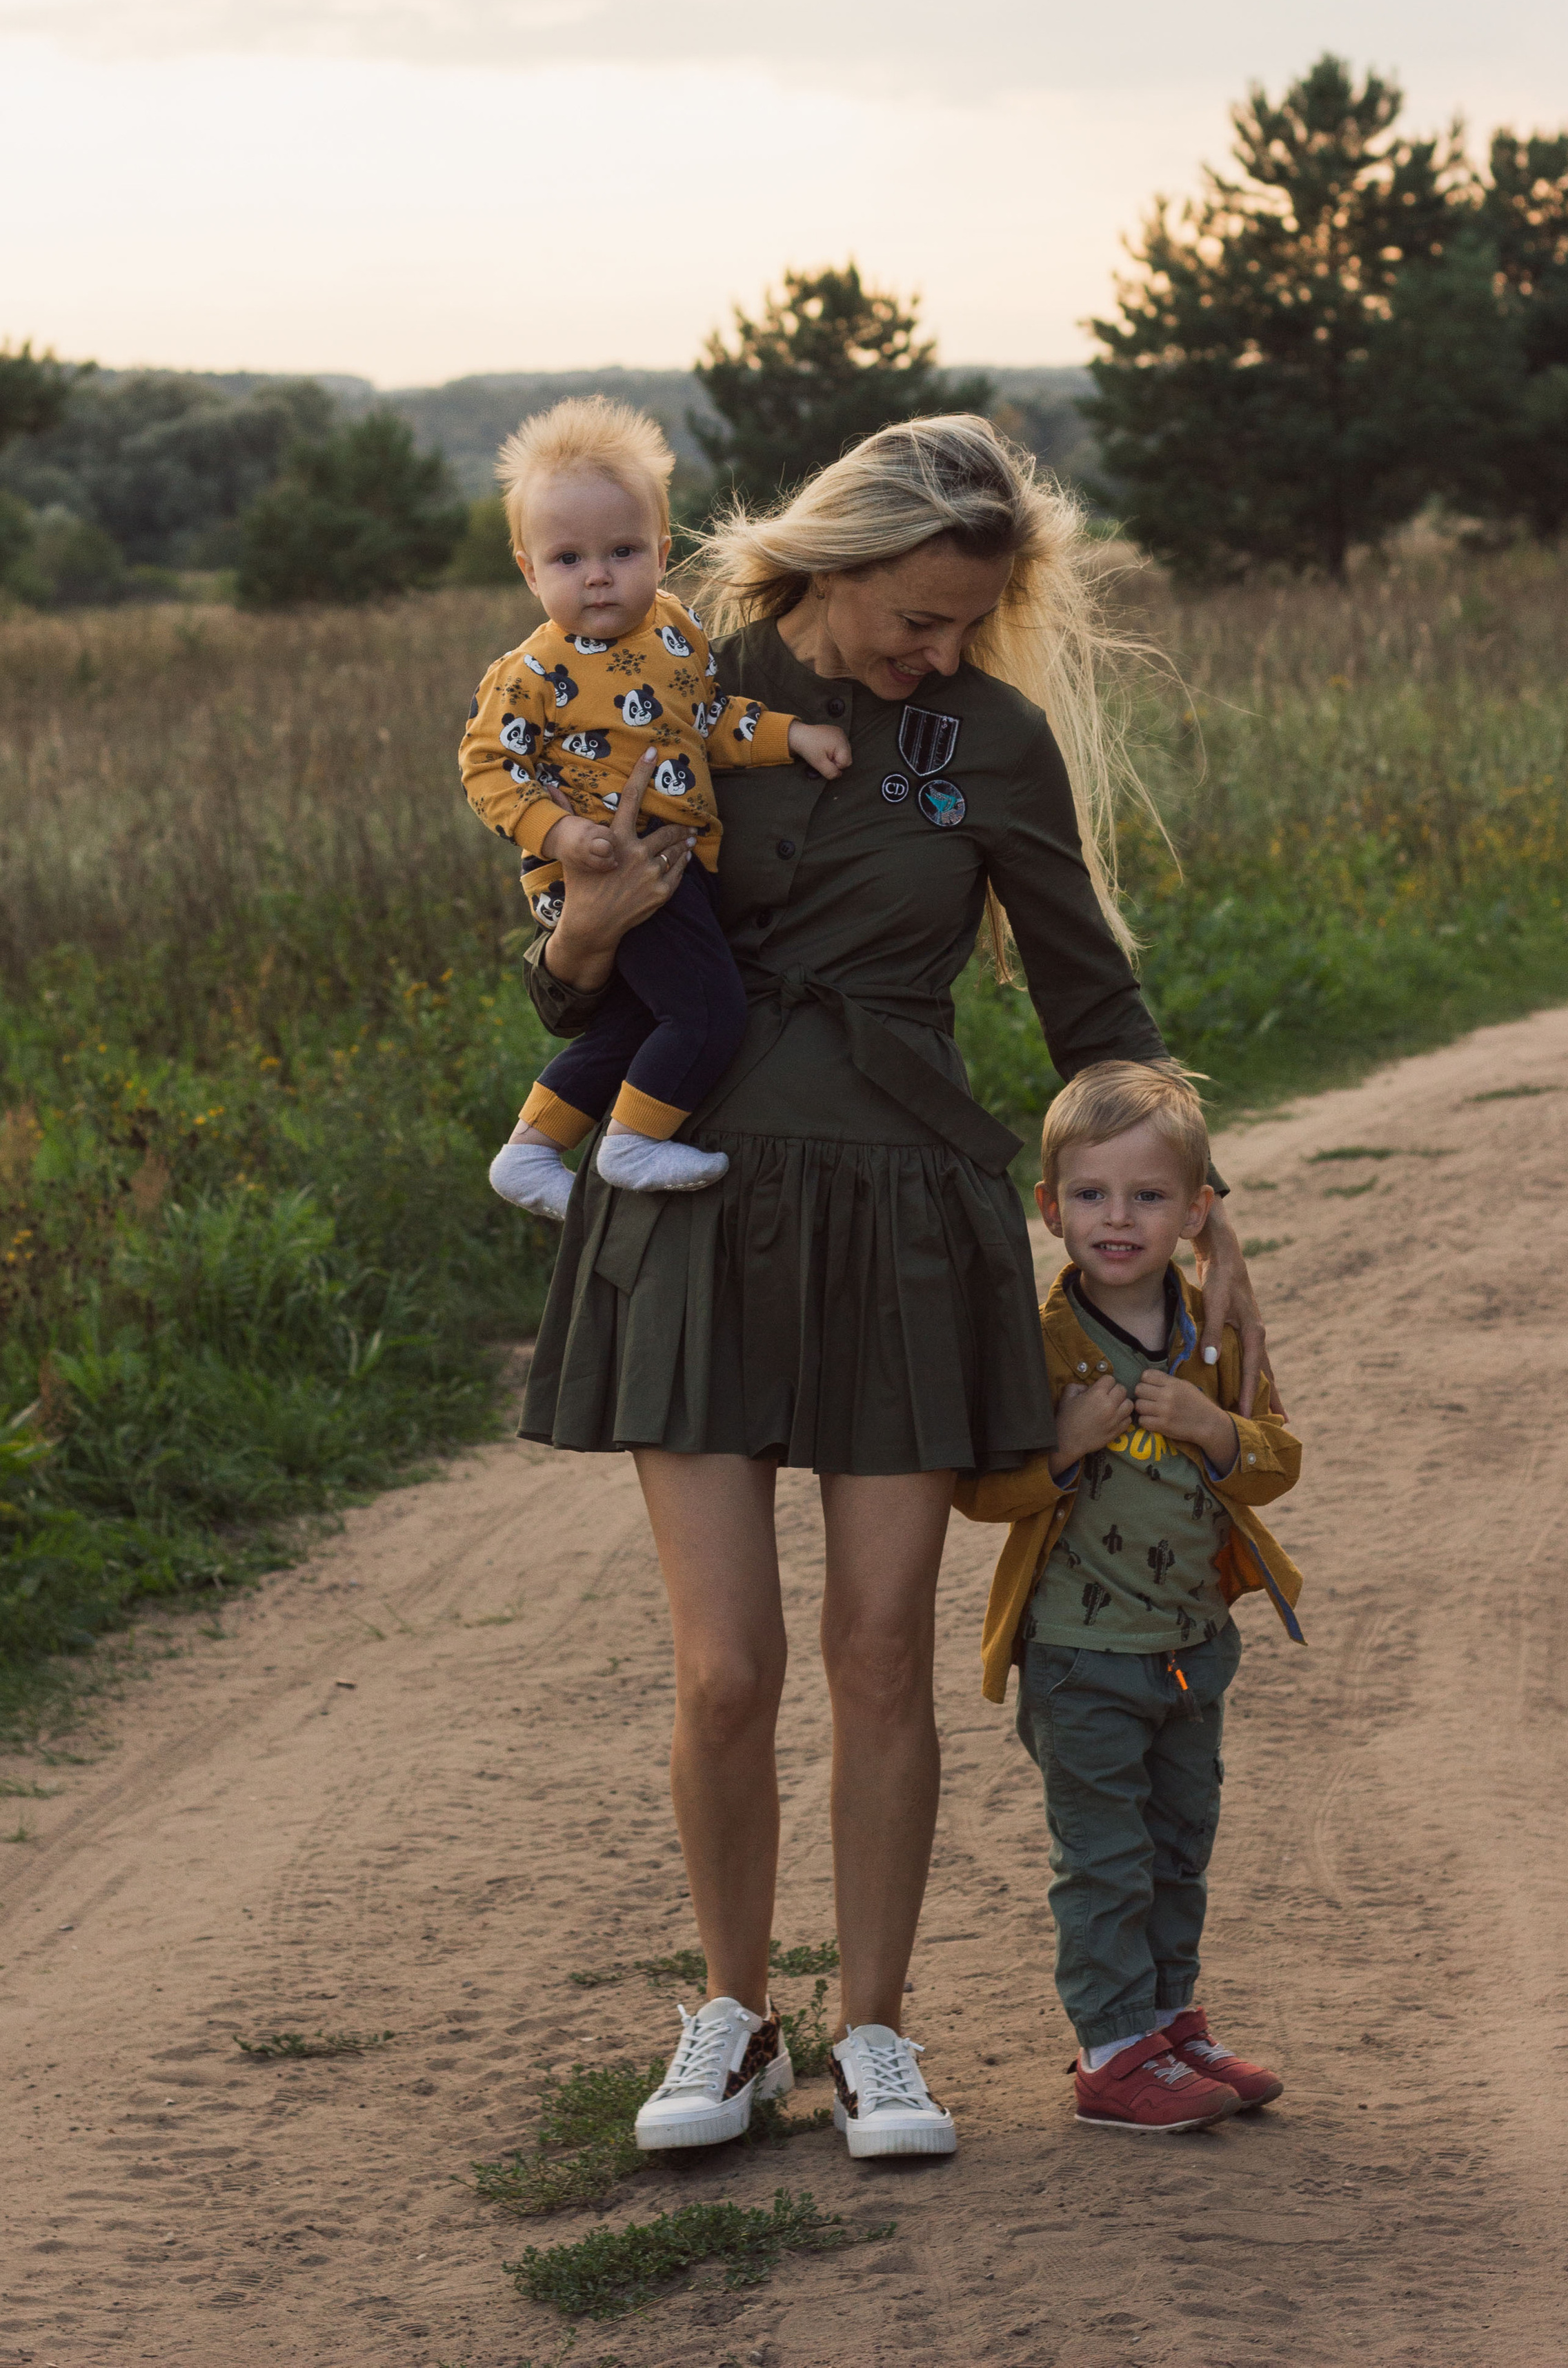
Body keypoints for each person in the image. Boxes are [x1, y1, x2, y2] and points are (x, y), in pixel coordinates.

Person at [515, 415, 1280, 2161]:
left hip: (907, 1212)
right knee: (724, 1668)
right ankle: (728, 2009)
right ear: (837, 558)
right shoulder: (663, 680)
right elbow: (569, 986)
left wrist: (1199, 1194)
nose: (939, 651)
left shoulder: (986, 741)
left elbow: (1090, 994)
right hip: (691, 1194)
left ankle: (872, 2026)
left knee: (878, 1653)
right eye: (919, 617)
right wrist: (582, 922)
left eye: (965, 624)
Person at [955, 1059, 1303, 2132]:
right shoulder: (1041, 1342)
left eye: (1150, 1198)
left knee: (1177, 1843)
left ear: (1196, 1211)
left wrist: (1218, 1432)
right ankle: (1111, 2049)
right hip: (1078, 1653)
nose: (1120, 1220)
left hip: (1193, 1646)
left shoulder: (1217, 1331)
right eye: (1094, 1197)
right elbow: (978, 1489)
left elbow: (1279, 1458)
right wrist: (1059, 1450)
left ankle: (1166, 2021)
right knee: (1104, 1856)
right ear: (1051, 1209)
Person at [458, 397, 849, 1206]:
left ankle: (530, 1151)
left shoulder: (675, 631)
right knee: (709, 1013)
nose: (598, 574)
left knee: (638, 1022)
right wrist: (561, 834)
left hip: (681, 862)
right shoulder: (530, 671)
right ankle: (633, 1143)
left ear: (663, 553)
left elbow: (706, 721)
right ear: (529, 569)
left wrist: (791, 737)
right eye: (568, 559)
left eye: (623, 550)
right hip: (601, 870)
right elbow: (489, 767)